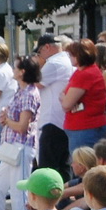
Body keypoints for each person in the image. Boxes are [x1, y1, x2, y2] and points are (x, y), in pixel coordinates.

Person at [0, 58, 42, 210]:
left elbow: (22, 126)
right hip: (12, 147)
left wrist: (7, 120)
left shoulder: (29, 93)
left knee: (19, 188)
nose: (13, 69)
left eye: (16, 67)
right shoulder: (21, 91)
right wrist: (6, 117)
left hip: (21, 146)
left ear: (23, 71)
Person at [34, 35, 75, 174]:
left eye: (39, 52)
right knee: (63, 164)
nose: (40, 56)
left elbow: (35, 83)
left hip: (52, 120)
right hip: (63, 118)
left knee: (47, 166)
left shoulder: (54, 63)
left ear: (47, 47)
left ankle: (49, 189)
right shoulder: (67, 60)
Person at [60, 39, 106, 152]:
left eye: (71, 55)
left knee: (83, 161)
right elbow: (62, 94)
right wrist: (66, 99)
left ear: (80, 55)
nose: (69, 57)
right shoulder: (83, 71)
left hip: (84, 128)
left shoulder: (85, 74)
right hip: (84, 127)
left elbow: (66, 104)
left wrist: (66, 99)